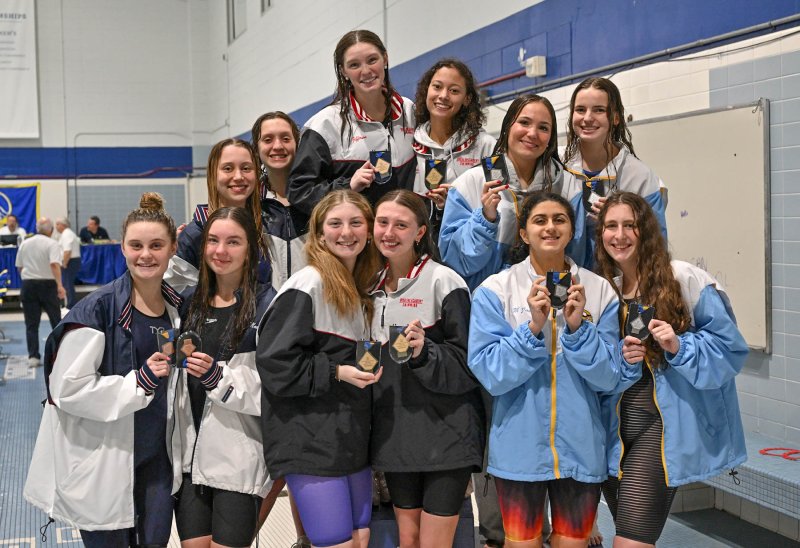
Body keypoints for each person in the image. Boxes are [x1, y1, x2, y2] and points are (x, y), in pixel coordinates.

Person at [468, 192, 636, 548]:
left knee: (573, 542)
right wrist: (532, 330)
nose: (550, 227)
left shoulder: (599, 290)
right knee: (522, 543)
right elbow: (491, 374)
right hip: (518, 447)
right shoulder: (495, 290)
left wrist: (578, 330)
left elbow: (609, 378)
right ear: (524, 233)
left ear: (572, 229)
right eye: (540, 220)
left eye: (559, 219)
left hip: (581, 445)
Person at [24, 193, 182, 547]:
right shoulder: (95, 311)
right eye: (136, 245)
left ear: (172, 248)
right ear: (122, 249)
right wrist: (137, 383)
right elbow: (68, 390)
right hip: (105, 460)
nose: (146, 254)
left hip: (159, 461)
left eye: (157, 245)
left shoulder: (179, 309)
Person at [595, 192, 748, 547]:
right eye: (611, 226)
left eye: (630, 225)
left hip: (659, 432)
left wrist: (678, 346)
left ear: (646, 230)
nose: (619, 235)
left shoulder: (684, 279)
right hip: (615, 437)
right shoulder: (605, 290)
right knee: (634, 537)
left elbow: (730, 351)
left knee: (629, 542)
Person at [256, 190, 383, 548]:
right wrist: (336, 372)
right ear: (320, 232)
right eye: (336, 223)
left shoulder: (359, 291)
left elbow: (361, 357)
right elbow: (275, 363)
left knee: (360, 538)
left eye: (356, 222)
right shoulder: (307, 284)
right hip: (309, 439)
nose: (347, 232)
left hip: (349, 435)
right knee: (334, 541)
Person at [369, 190, 484, 548]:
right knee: (409, 540)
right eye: (382, 222)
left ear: (420, 232)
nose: (389, 232)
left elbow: (470, 363)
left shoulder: (444, 282)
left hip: (445, 430)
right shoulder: (368, 285)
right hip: (395, 431)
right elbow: (368, 356)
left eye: (401, 225)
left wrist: (424, 354)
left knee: (435, 543)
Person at [171, 206, 277, 548]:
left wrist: (219, 379)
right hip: (188, 461)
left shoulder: (267, 306)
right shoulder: (188, 305)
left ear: (250, 249)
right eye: (213, 241)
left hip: (237, 459)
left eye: (233, 242)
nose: (221, 250)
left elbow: (275, 391)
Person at [439, 93, 563, 291]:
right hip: (487, 307)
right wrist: (485, 220)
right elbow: (456, 263)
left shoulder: (564, 184)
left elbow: (575, 255)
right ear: (507, 127)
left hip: (548, 303)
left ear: (551, 137)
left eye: (543, 128)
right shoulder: (470, 183)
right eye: (524, 122)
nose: (532, 133)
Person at [288, 29, 416, 214]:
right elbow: (299, 191)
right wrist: (347, 187)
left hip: (405, 235)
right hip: (354, 238)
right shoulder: (324, 125)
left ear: (385, 59)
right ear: (343, 71)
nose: (366, 71)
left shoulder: (409, 111)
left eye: (372, 60)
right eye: (354, 65)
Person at [562, 77, 666, 269]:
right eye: (580, 110)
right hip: (565, 284)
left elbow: (656, 243)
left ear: (616, 118)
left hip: (618, 283)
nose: (587, 118)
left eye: (599, 110)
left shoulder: (639, 176)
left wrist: (619, 220)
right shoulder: (557, 167)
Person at [166, 138, 270, 292]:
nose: (238, 176)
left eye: (246, 168)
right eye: (228, 168)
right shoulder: (194, 235)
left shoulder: (269, 225)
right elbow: (174, 295)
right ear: (213, 175)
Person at [411, 58, 496, 239]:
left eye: (454, 90)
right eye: (437, 87)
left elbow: (502, 197)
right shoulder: (409, 143)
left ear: (467, 99)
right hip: (418, 245)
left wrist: (458, 200)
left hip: (470, 243)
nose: (443, 95)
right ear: (427, 90)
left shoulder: (487, 146)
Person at [252, 111, 309, 290]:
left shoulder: (316, 199)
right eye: (268, 140)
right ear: (256, 148)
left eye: (285, 138)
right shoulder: (249, 203)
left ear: (297, 144)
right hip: (264, 313)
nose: (277, 146)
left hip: (312, 310)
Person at [15, 217, 65, 367]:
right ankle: (60, 355)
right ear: (51, 230)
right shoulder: (52, 244)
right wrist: (60, 286)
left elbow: (20, 267)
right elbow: (54, 265)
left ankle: (33, 357)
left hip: (29, 285)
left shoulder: (25, 243)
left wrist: (29, 278)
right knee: (56, 322)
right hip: (48, 285)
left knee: (31, 324)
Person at [55, 217, 81, 309]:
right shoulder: (66, 234)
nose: (56, 226)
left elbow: (67, 251)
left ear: (63, 225)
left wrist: (64, 263)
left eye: (58, 224)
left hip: (70, 261)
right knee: (67, 283)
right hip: (70, 260)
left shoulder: (67, 234)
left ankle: (71, 304)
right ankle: (70, 303)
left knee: (68, 283)